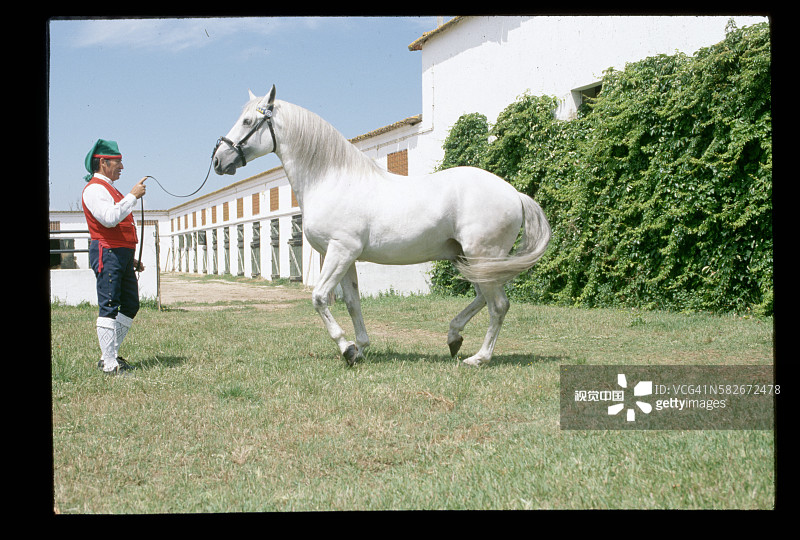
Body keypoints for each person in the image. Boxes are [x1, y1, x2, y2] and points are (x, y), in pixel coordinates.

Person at [81, 139, 147, 374]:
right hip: (107, 251)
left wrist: (130, 257)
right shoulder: (94, 189)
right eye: (117, 162)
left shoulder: (108, 188)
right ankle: (109, 364)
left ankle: (110, 354)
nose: (121, 167)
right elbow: (109, 218)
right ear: (103, 162)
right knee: (109, 305)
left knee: (130, 304)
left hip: (119, 254)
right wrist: (132, 196)